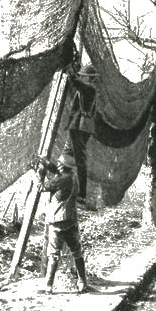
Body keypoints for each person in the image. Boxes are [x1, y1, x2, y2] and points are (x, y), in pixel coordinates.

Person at [37, 152, 94, 294]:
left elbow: (42, 187)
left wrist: (38, 174)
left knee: (53, 255)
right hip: (71, 221)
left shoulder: (61, 180)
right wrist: (48, 164)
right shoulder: (73, 178)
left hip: (57, 223)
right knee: (77, 252)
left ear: (62, 166)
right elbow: (58, 175)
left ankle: (48, 286)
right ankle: (82, 282)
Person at [65, 63, 98, 206]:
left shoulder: (89, 89)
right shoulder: (86, 89)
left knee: (80, 160)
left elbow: (76, 83)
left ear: (89, 78)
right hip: (78, 126)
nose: (82, 78)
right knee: (70, 156)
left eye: (84, 76)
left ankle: (82, 195)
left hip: (81, 128)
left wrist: (70, 72)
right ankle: (68, 188)